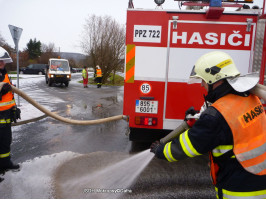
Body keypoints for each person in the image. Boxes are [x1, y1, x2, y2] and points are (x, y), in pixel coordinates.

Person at [150, 51, 266, 199]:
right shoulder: (248, 96)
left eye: (203, 80)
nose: (201, 84)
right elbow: (228, 123)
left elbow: (190, 145)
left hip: (240, 189)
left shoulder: (216, 117)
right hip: (257, 177)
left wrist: (162, 151)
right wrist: (200, 117)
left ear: (214, 79)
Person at [0, 47, 20, 176]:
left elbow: (10, 95)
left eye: (2, 61)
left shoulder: (5, 74)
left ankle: (5, 163)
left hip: (6, 115)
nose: (2, 63)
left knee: (6, 141)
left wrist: (14, 108)